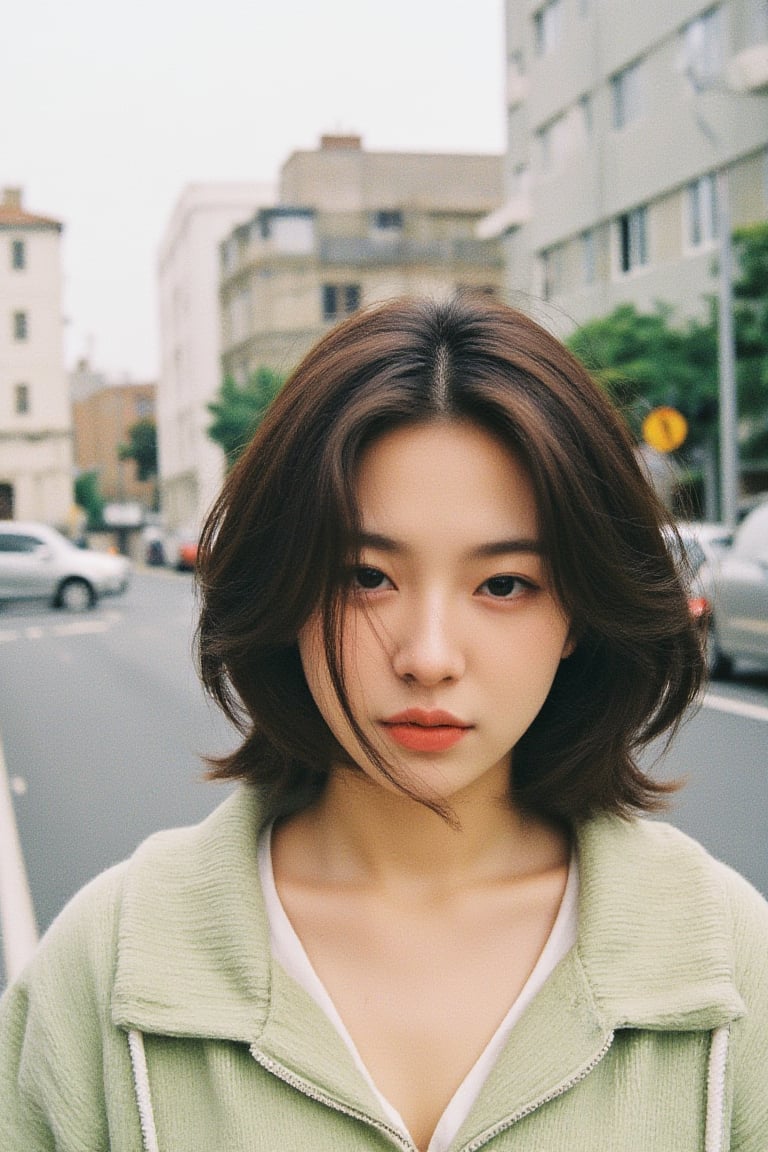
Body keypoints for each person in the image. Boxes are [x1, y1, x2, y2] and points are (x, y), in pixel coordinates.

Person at [1, 294, 767, 1151]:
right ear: (288, 589)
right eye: (365, 576)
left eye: (505, 584)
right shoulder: (105, 967)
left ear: (579, 614)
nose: (429, 655)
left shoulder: (730, 964)